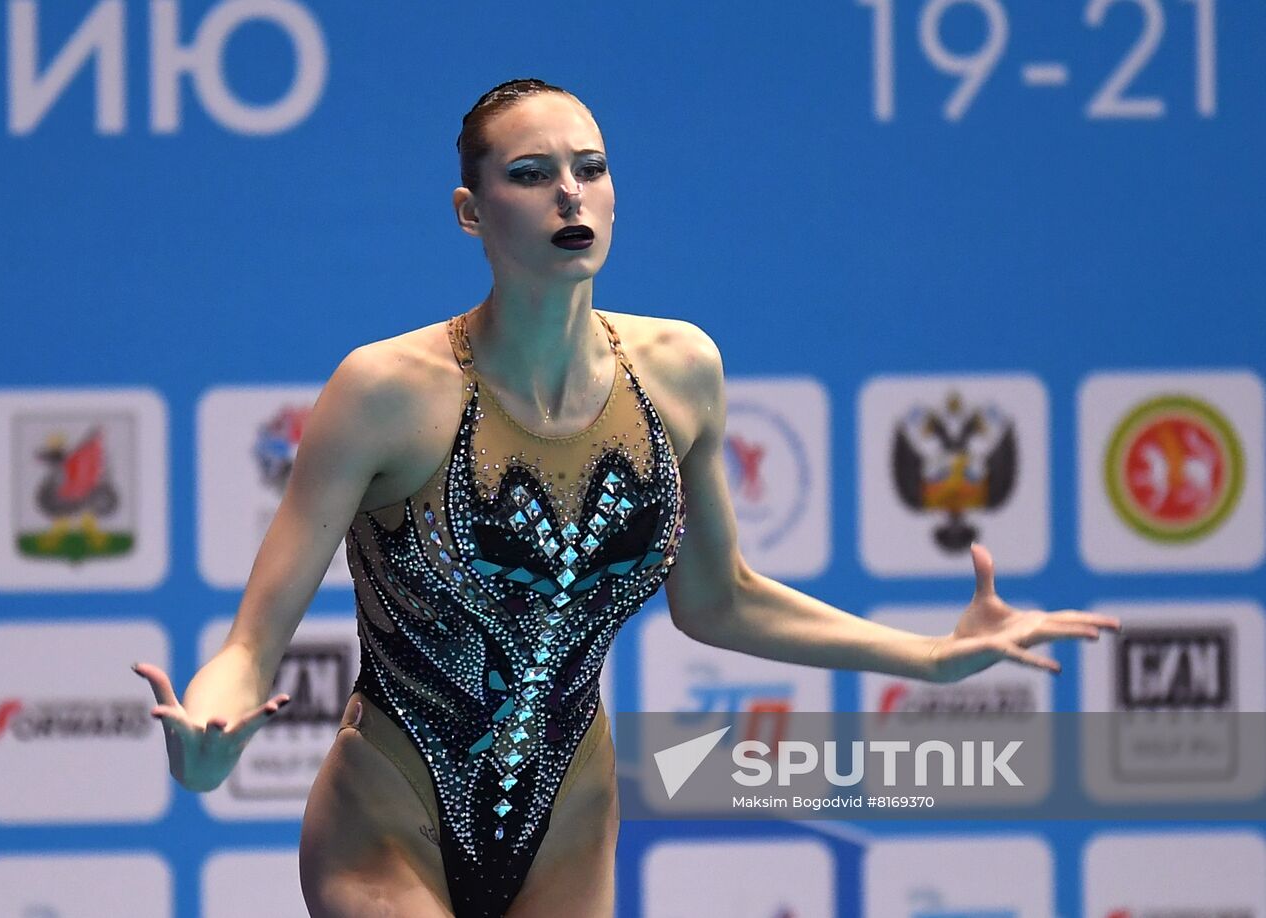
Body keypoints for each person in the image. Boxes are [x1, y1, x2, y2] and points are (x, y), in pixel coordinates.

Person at [133, 78, 1119, 917]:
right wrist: (205, 754)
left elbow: (718, 598)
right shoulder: (386, 391)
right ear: (471, 211)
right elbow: (249, 650)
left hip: (573, 812)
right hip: (386, 810)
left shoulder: (678, 371)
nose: (569, 192)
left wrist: (929, 657)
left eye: (589, 167)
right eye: (529, 174)